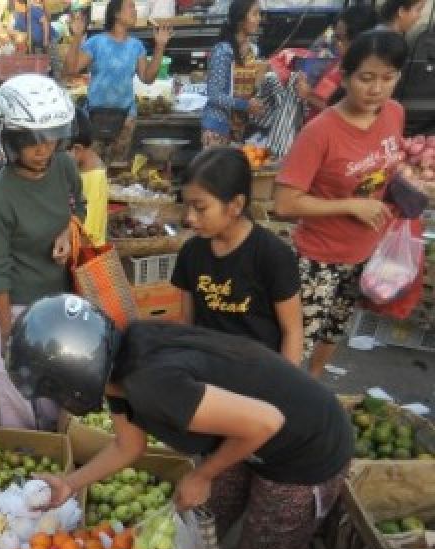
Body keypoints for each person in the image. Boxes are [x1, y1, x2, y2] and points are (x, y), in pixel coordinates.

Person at [16, 295, 353, 549]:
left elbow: (267, 422)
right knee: (205, 526)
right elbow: (128, 446)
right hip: (248, 434)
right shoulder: (119, 365)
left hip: (308, 448)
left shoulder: (156, 385)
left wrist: (205, 473)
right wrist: (71, 484)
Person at [274, 30, 407, 377]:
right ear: (345, 77)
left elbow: (386, 167)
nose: (376, 88)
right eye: (366, 78)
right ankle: (284, 402)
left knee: (335, 328)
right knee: (297, 339)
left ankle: (315, 382)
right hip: (319, 257)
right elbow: (285, 204)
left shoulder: (393, 113)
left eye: (388, 78)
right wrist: (350, 206)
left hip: (365, 251)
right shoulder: (320, 132)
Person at [173, 147, 302, 362]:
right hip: (207, 367)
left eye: (200, 208)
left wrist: (285, 389)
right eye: (187, 206)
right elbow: (187, 320)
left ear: (236, 205)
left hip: (259, 371)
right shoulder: (191, 253)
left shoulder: (272, 255)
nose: (190, 218)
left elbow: (293, 331)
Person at [0, 74, 79, 348]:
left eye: (51, 137)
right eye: (31, 140)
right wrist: (6, 333)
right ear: (8, 140)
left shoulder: (64, 166)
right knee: (17, 386)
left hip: (64, 297)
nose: (44, 148)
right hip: (19, 307)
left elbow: (78, 207)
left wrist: (67, 233)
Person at [65, 0, 172, 162]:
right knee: (92, 167)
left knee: (117, 167)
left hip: (126, 117)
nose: (135, 11)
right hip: (96, 116)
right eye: (130, 7)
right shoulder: (96, 43)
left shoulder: (136, 46)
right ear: (116, 13)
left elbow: (147, 78)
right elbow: (70, 71)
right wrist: (77, 36)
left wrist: (160, 47)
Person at [202, 0, 264, 147]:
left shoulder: (252, 51)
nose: (259, 18)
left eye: (259, 14)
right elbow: (214, 94)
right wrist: (244, 105)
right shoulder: (223, 50)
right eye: (255, 14)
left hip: (238, 129)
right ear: (241, 19)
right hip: (217, 128)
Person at [302, 5, 378, 117]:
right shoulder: (340, 60)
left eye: (341, 39)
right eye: (336, 38)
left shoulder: (365, 74)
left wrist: (308, 95)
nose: (337, 44)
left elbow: (348, 114)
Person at [69, 107, 107, 244]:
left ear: (77, 150)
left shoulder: (94, 178)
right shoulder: (82, 171)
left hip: (86, 257)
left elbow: (88, 233)